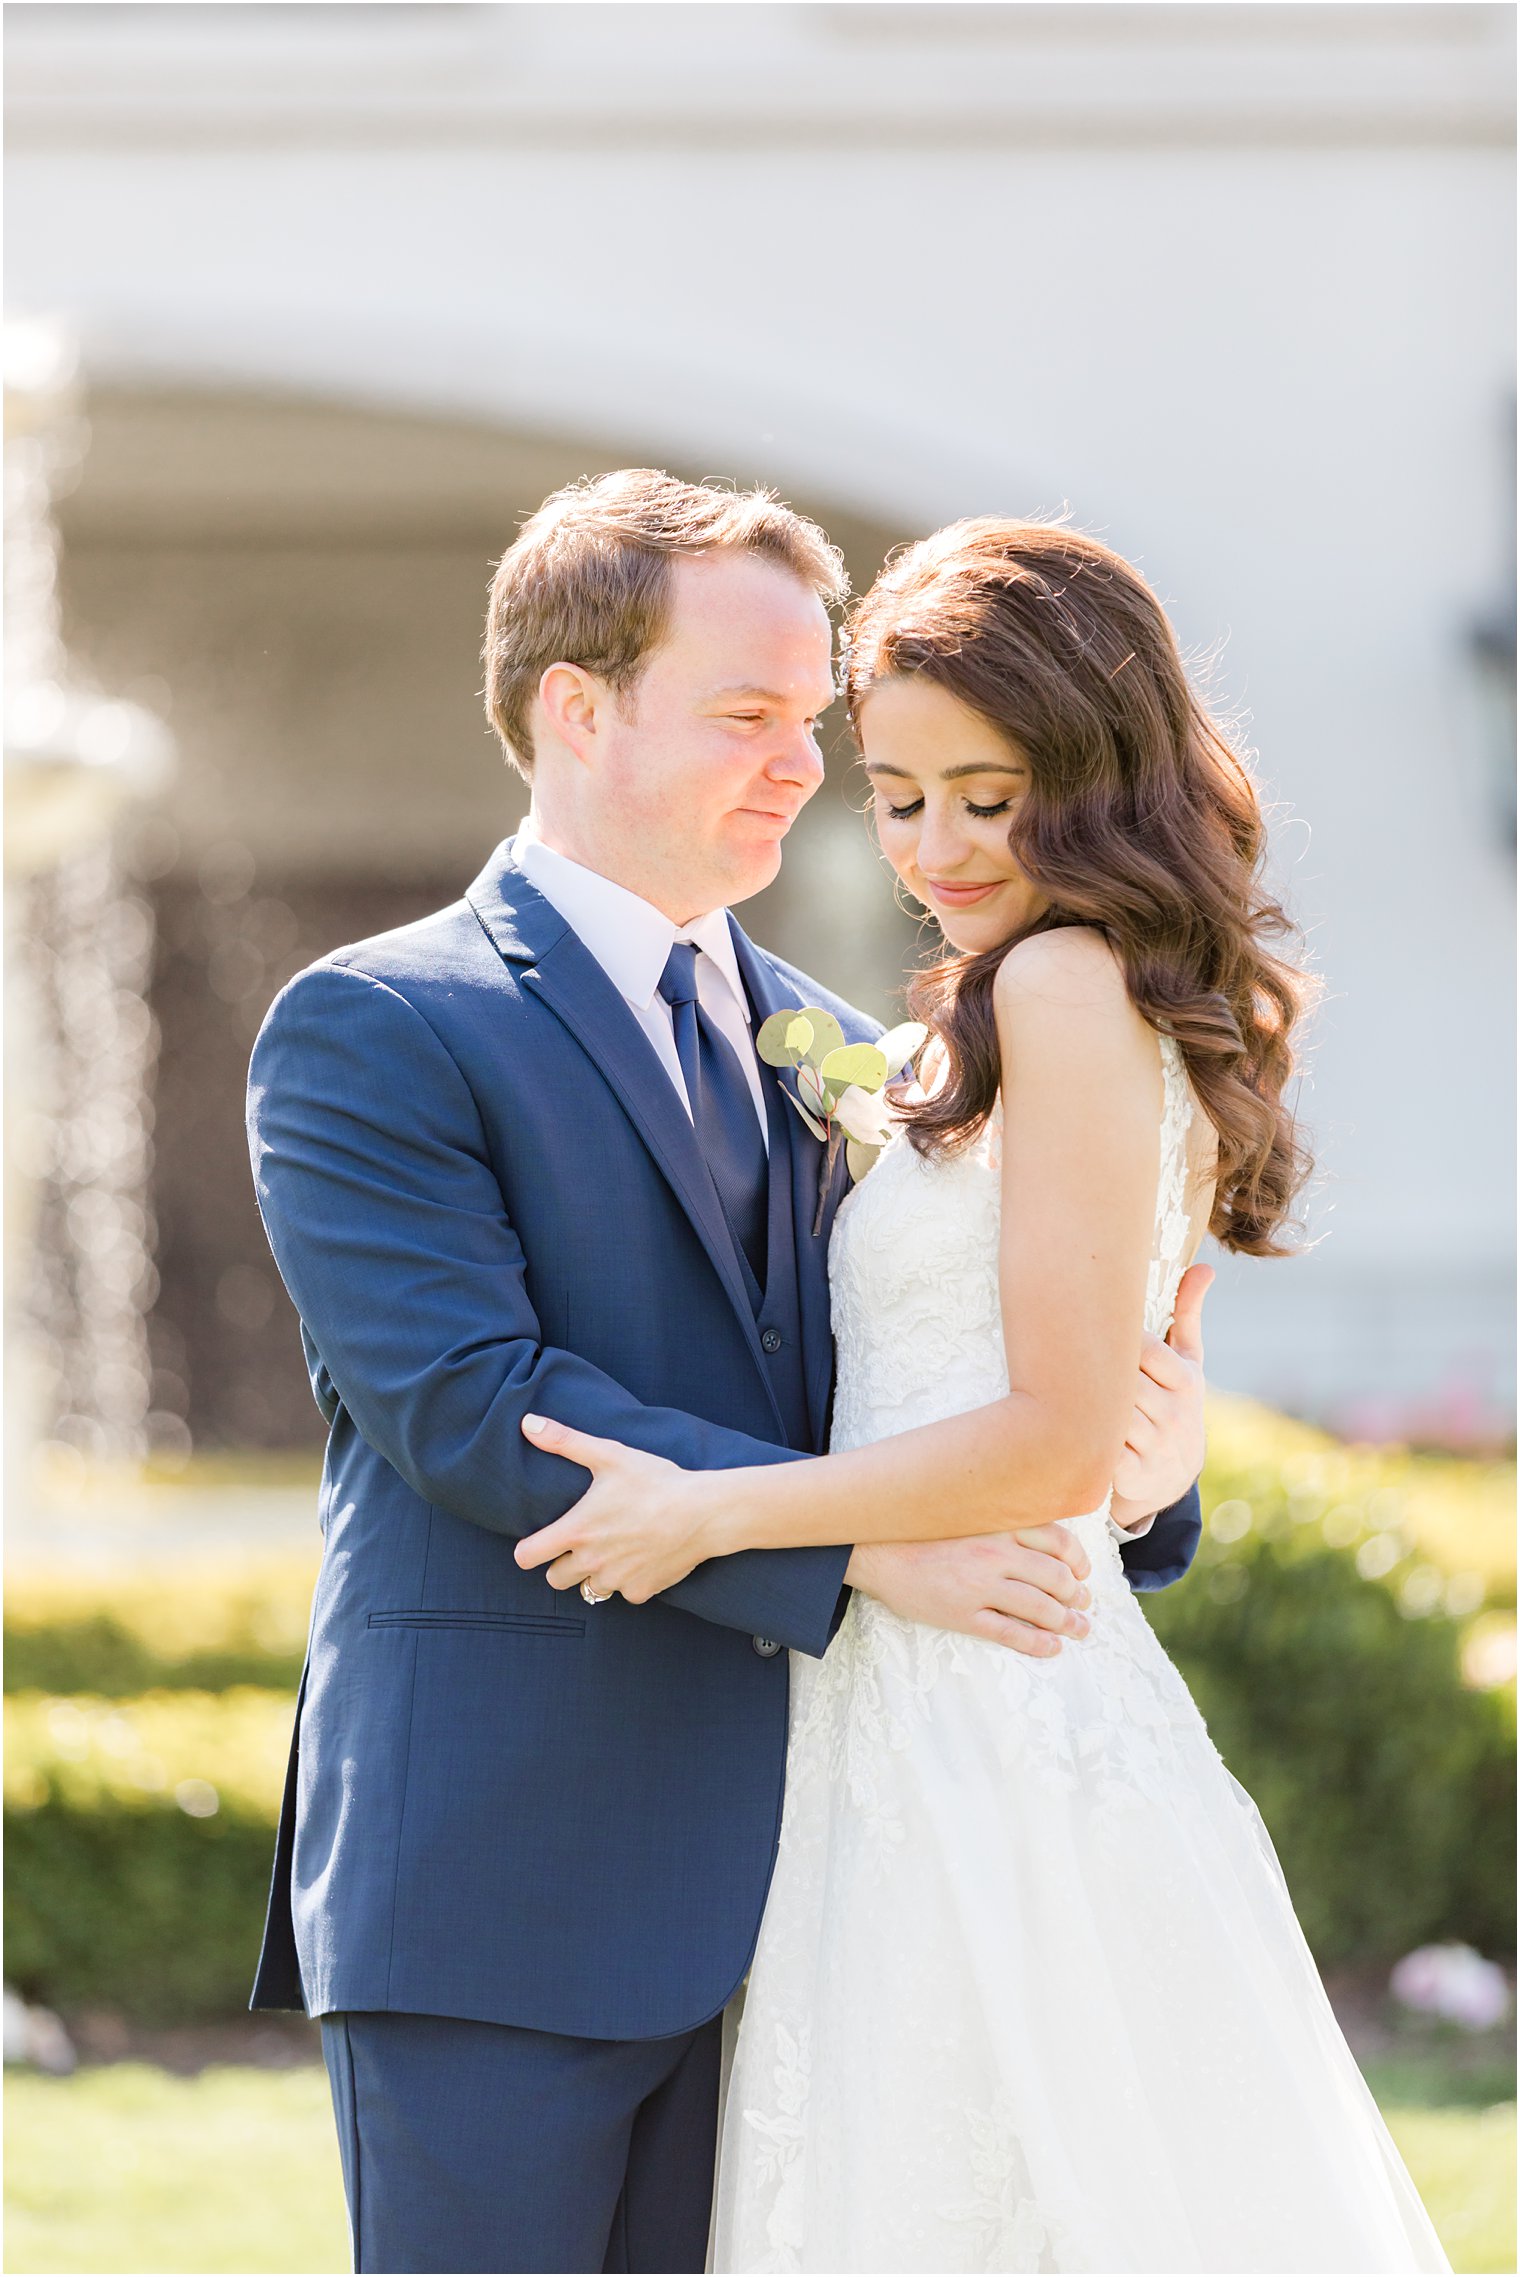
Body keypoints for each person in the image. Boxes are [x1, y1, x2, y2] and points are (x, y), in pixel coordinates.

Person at [245, 472, 1208, 2276]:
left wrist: (1146, 1462)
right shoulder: (377, 1025)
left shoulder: (858, 1055)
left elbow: (987, 1364)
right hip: (502, 1890)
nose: (801, 764)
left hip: (819, 1899)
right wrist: (849, 1553)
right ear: (576, 706)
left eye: (811, 721)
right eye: (747, 714)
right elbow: (470, 1398)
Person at [514, 520, 1450, 2274]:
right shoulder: (1000, 1003)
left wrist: (711, 1506)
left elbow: (1053, 1436)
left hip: (991, 1719)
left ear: (1092, 780)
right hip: (908, 1694)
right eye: (897, 792)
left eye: (986, 795)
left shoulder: (1065, 981)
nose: (934, 846)